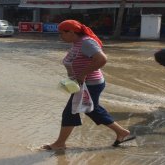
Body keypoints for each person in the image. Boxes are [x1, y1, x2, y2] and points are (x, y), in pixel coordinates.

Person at [42, 20, 136, 150]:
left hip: (90, 84)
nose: (60, 36)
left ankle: (59, 143)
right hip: (82, 84)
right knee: (92, 110)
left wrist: (83, 74)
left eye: (61, 33)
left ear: (72, 32)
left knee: (71, 112)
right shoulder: (77, 43)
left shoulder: (86, 42)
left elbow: (102, 59)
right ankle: (121, 132)